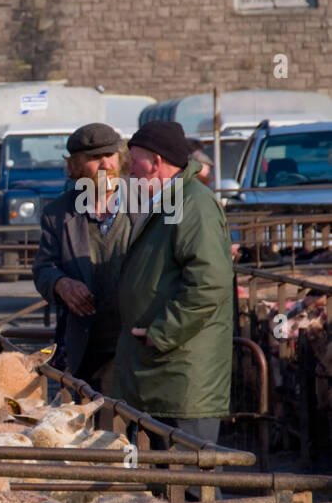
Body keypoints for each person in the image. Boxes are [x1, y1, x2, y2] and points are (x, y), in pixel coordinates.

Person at [112, 120, 234, 449]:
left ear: (155, 161)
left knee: (193, 480)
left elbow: (209, 283)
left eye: (133, 159)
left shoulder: (194, 205)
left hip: (183, 374)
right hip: (164, 370)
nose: (128, 169)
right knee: (167, 480)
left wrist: (162, 332)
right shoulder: (167, 203)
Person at [31, 123, 130, 390]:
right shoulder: (58, 213)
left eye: (110, 155)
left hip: (136, 344)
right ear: (74, 167)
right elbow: (43, 267)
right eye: (95, 158)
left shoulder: (146, 206)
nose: (106, 165)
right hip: (86, 346)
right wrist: (60, 283)